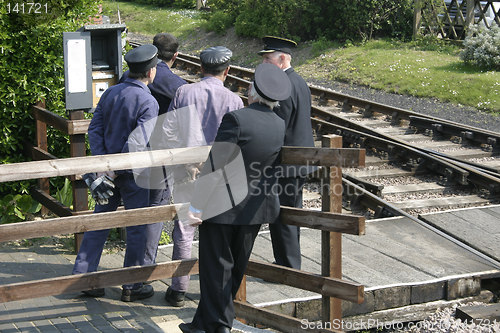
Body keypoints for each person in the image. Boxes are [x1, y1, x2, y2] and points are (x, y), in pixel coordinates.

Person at [178, 63, 291, 333]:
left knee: (216, 270)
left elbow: (216, 163)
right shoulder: (279, 124)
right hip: (255, 209)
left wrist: (196, 205)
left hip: (222, 209)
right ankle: (202, 324)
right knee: (235, 268)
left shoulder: (236, 119)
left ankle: (219, 327)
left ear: (252, 91)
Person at [72, 44, 159, 302]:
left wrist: (104, 165)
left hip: (107, 171)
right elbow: (137, 143)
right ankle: (131, 285)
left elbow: (94, 129)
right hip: (134, 175)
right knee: (136, 228)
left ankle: (85, 277)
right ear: (151, 72)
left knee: (100, 223)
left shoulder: (110, 93)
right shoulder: (149, 102)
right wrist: (113, 170)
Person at [163, 46, 244, 307]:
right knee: (218, 233)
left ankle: (178, 289)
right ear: (227, 71)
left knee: (184, 230)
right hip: (219, 174)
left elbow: (169, 132)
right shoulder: (235, 101)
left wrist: (186, 160)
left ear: (200, 69)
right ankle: (214, 291)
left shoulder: (183, 92)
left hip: (188, 171)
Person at [121, 33, 188, 268]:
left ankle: (133, 269)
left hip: (129, 154)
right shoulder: (177, 85)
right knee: (155, 212)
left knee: (134, 212)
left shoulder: (126, 77)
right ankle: (143, 269)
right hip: (159, 157)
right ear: (176, 56)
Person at [258, 36, 315, 270]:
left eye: (267, 59)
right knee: (290, 212)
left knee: (283, 215)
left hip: (287, 163)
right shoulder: (298, 81)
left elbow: (278, 127)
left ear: (282, 59)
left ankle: (288, 265)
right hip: (298, 161)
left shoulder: (283, 85)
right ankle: (288, 260)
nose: (264, 64)